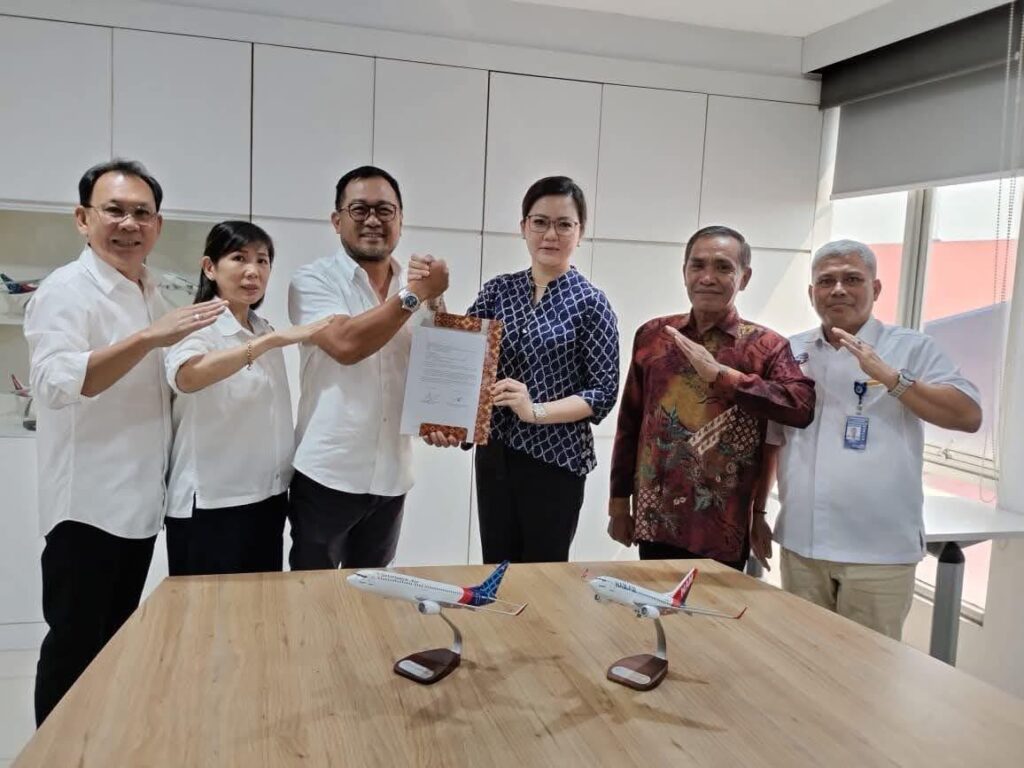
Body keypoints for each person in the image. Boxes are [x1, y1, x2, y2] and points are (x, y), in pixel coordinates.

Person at [25, 159, 226, 725]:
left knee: (112, 646)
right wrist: (148, 338)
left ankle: (100, 746)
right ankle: (56, 754)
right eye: (114, 210)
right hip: (86, 509)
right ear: (83, 219)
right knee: (73, 649)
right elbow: (56, 383)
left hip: (139, 507)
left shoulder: (153, 292)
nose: (129, 224)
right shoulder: (67, 291)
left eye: (142, 213)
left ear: (158, 225)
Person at [765, 239, 982, 639]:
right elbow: (774, 440)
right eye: (826, 281)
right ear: (812, 293)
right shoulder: (789, 351)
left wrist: (891, 378)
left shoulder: (910, 347)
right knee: (802, 660)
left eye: (852, 279)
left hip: (878, 551)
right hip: (803, 545)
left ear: (876, 288)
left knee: (868, 669)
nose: (838, 289)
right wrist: (756, 514)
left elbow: (967, 415)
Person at [418, 176, 620, 563]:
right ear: (523, 227)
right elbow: (462, 354)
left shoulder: (592, 303)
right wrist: (434, 297)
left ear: (580, 232)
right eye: (540, 222)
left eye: (564, 224)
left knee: (543, 572)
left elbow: (602, 393)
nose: (551, 234)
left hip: (555, 459)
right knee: (496, 566)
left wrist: (534, 410)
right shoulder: (499, 290)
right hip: (495, 454)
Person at [608, 225, 815, 571]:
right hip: (655, 517)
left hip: (723, 526)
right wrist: (618, 503)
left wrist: (723, 376)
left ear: (744, 277)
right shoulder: (653, 336)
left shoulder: (766, 346)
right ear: (684, 272)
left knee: (716, 608)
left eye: (723, 267)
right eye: (698, 265)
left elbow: (801, 406)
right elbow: (630, 424)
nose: (707, 277)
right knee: (654, 604)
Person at [287, 166, 449, 570]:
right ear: (336, 220)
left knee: (375, 594)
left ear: (401, 220)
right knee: (314, 596)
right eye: (359, 210)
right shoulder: (312, 281)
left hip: (393, 475)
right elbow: (346, 344)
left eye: (385, 210)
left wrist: (445, 421)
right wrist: (416, 294)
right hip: (327, 474)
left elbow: (439, 364)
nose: (373, 220)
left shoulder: (419, 286)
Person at [163, 221, 331, 576]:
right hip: (212, 502)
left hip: (267, 498)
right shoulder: (197, 323)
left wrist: (265, 339)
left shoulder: (262, 327)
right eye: (239, 258)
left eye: (262, 260)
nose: (253, 271)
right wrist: (267, 344)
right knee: (206, 610)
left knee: (259, 606)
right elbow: (187, 376)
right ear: (210, 267)